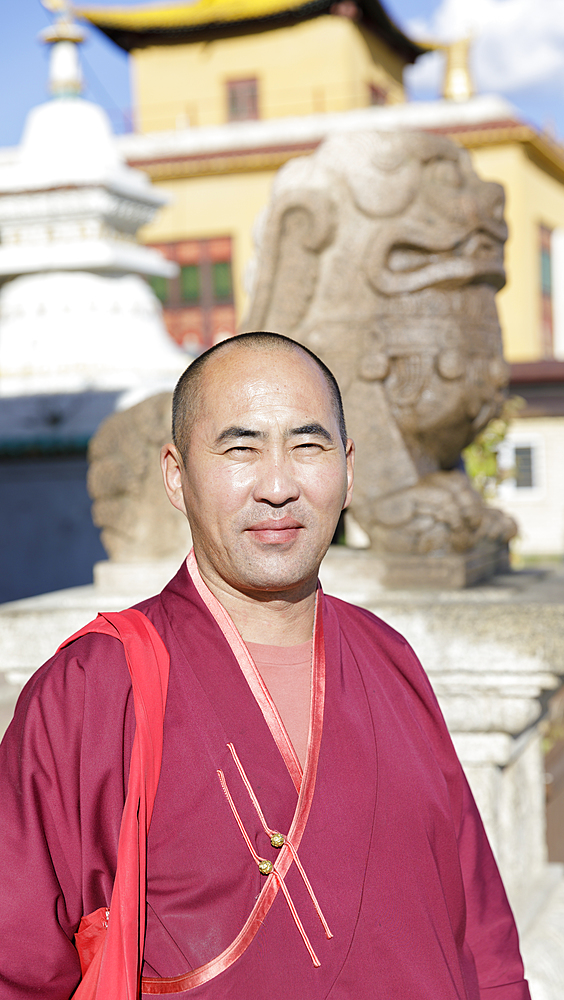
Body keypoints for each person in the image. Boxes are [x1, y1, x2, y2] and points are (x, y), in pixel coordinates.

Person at [0, 332, 531, 999]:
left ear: (347, 469)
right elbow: (16, 964)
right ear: (176, 474)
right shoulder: (92, 688)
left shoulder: (388, 658)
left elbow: (481, 935)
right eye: (240, 447)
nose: (277, 486)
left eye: (307, 446)